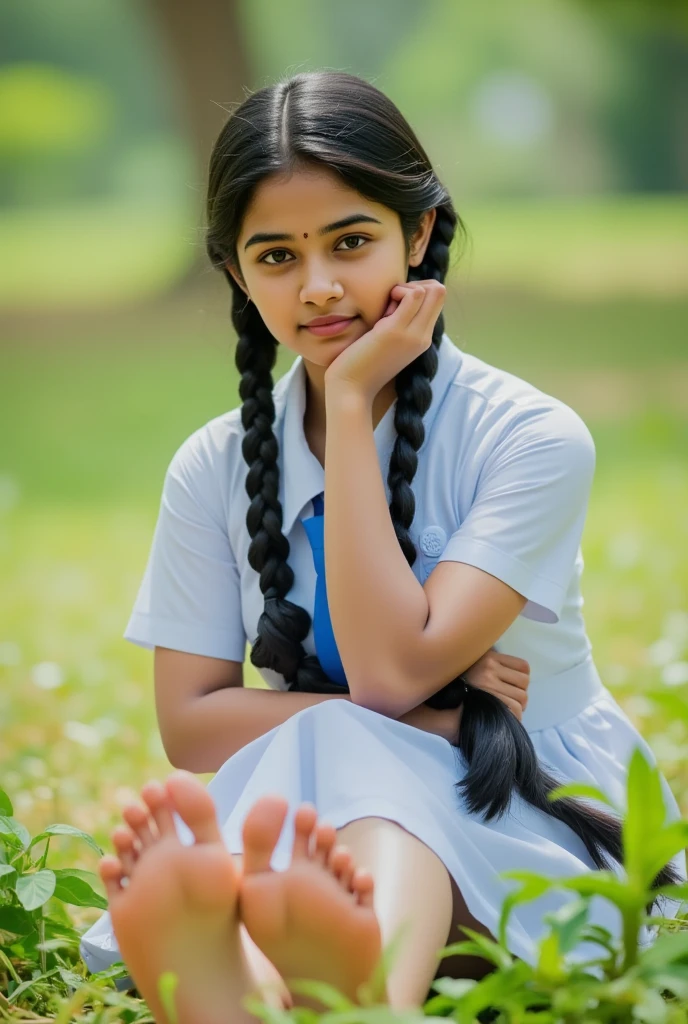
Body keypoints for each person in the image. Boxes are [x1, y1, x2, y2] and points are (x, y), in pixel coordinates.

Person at [79, 70, 686, 1021]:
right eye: (276, 257)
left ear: (419, 233)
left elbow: (390, 675)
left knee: (355, 771)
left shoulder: (531, 437)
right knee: (349, 765)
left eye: (351, 243)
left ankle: (311, 982)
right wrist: (412, 719)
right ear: (237, 274)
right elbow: (190, 724)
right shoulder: (212, 467)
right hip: (324, 792)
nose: (319, 287)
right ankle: (294, 991)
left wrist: (353, 404)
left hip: (527, 794)